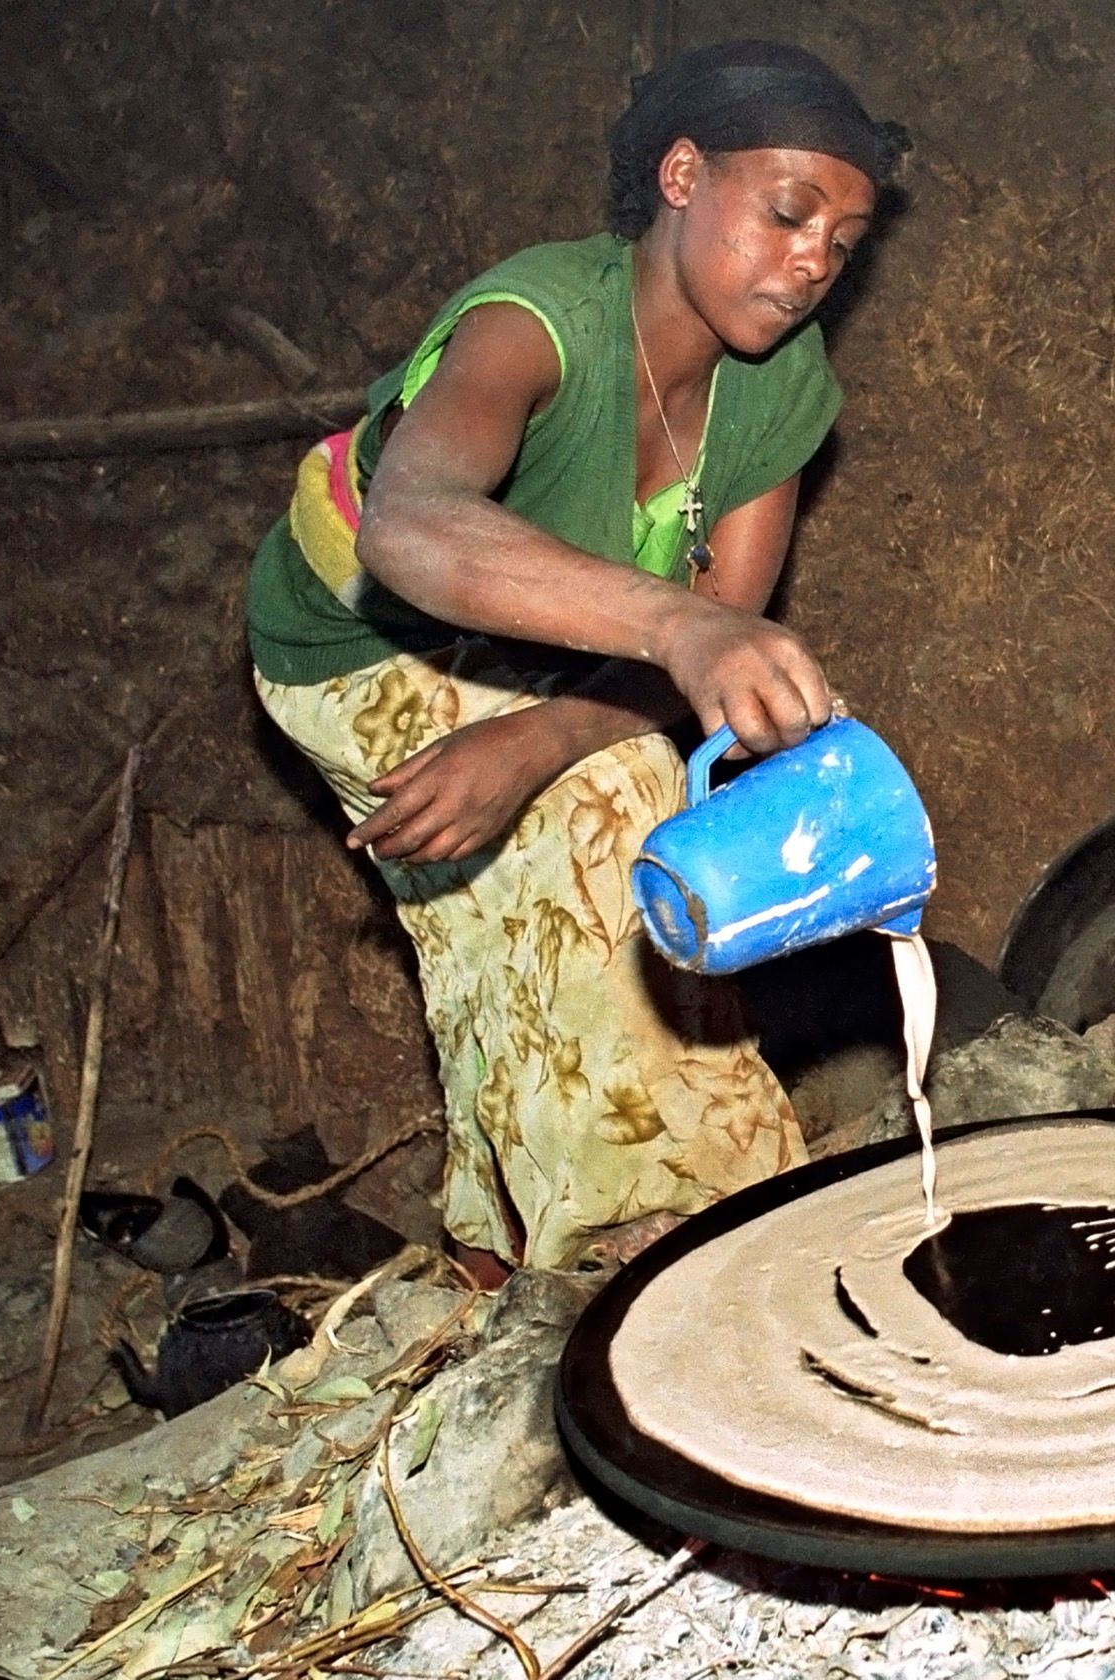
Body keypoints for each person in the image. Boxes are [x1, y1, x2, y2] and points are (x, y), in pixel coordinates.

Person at [242, 41, 907, 1277]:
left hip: (547, 649)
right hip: (361, 636)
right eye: (786, 213)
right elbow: (411, 522)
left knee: (550, 882)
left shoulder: (780, 386)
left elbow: (712, 635)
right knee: (604, 830)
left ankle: (511, 1241)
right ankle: (654, 1246)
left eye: (843, 240)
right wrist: (679, 625)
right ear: (680, 173)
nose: (812, 259)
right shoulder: (537, 319)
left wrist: (539, 733)